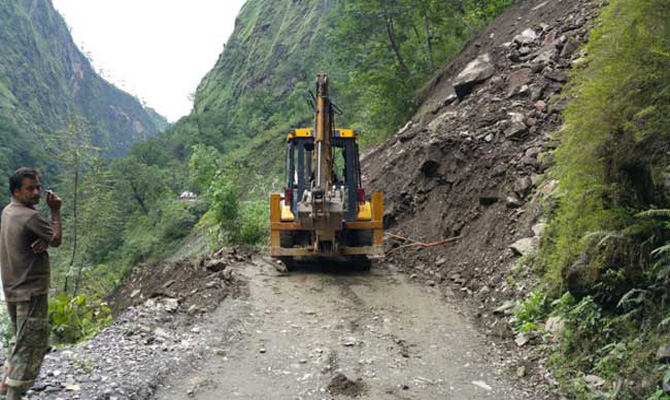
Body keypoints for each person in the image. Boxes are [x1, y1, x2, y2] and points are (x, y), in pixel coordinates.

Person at [0, 168, 61, 399]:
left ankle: (5, 385)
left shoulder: (9, 211)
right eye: (30, 189)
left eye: (38, 186)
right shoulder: (31, 217)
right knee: (30, 346)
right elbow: (56, 240)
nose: (37, 192)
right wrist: (55, 211)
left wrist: (40, 240)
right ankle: (12, 394)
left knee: (20, 339)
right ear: (17, 191)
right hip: (30, 292)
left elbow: (26, 239)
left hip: (12, 289)